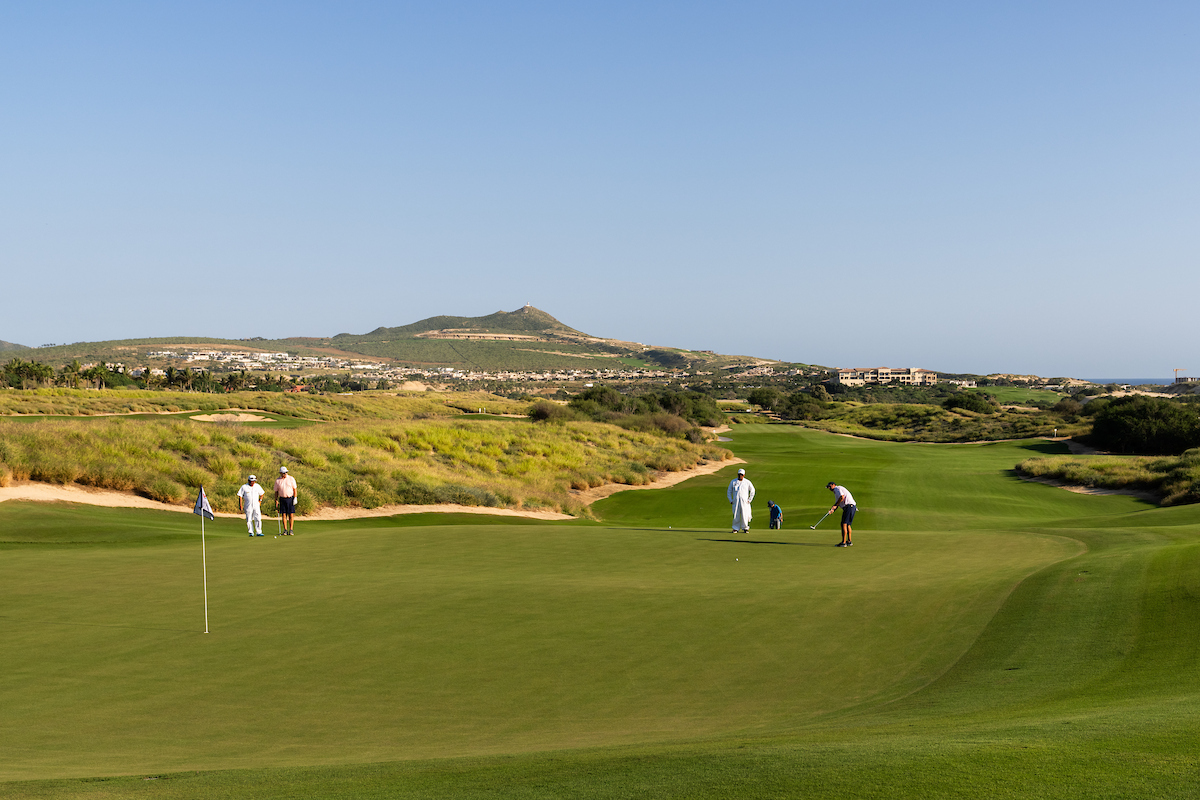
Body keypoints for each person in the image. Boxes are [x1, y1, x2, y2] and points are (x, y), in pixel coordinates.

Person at [826, 481, 857, 547]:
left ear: (833, 485)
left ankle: (843, 542)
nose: (829, 488)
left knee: (844, 524)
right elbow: (838, 503)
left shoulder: (837, 488)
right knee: (848, 524)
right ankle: (849, 541)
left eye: (830, 486)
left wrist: (835, 505)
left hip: (848, 507)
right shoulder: (836, 491)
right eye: (828, 487)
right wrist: (833, 509)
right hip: (852, 507)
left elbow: (842, 497)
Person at [726, 468, 755, 534]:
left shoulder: (747, 482)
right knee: (736, 515)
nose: (740, 476)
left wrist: (749, 499)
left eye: (741, 475)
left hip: (744, 502)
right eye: (739, 474)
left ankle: (745, 528)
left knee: (745, 515)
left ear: (744, 475)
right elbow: (729, 491)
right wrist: (730, 500)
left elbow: (752, 490)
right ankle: (735, 528)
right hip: (736, 501)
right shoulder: (733, 482)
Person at [274, 466, 299, 535]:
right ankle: (285, 530)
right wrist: (276, 500)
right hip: (282, 498)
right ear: (280, 473)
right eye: (283, 473)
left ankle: (291, 530)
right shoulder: (278, 480)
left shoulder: (291, 478)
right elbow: (276, 491)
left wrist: (295, 497)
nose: (284, 474)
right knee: (284, 514)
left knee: (291, 514)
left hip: (290, 498)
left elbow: (295, 489)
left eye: (285, 473)